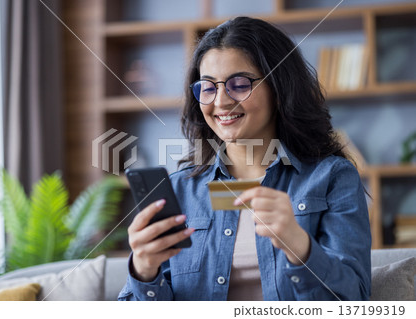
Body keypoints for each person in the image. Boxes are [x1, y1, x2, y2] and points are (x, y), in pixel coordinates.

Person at [118, 16, 371, 301]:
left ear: (278, 87)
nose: (221, 101)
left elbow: (355, 300)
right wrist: (144, 271)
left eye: (239, 84)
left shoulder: (332, 178)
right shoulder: (178, 192)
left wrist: (301, 248)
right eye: (208, 87)